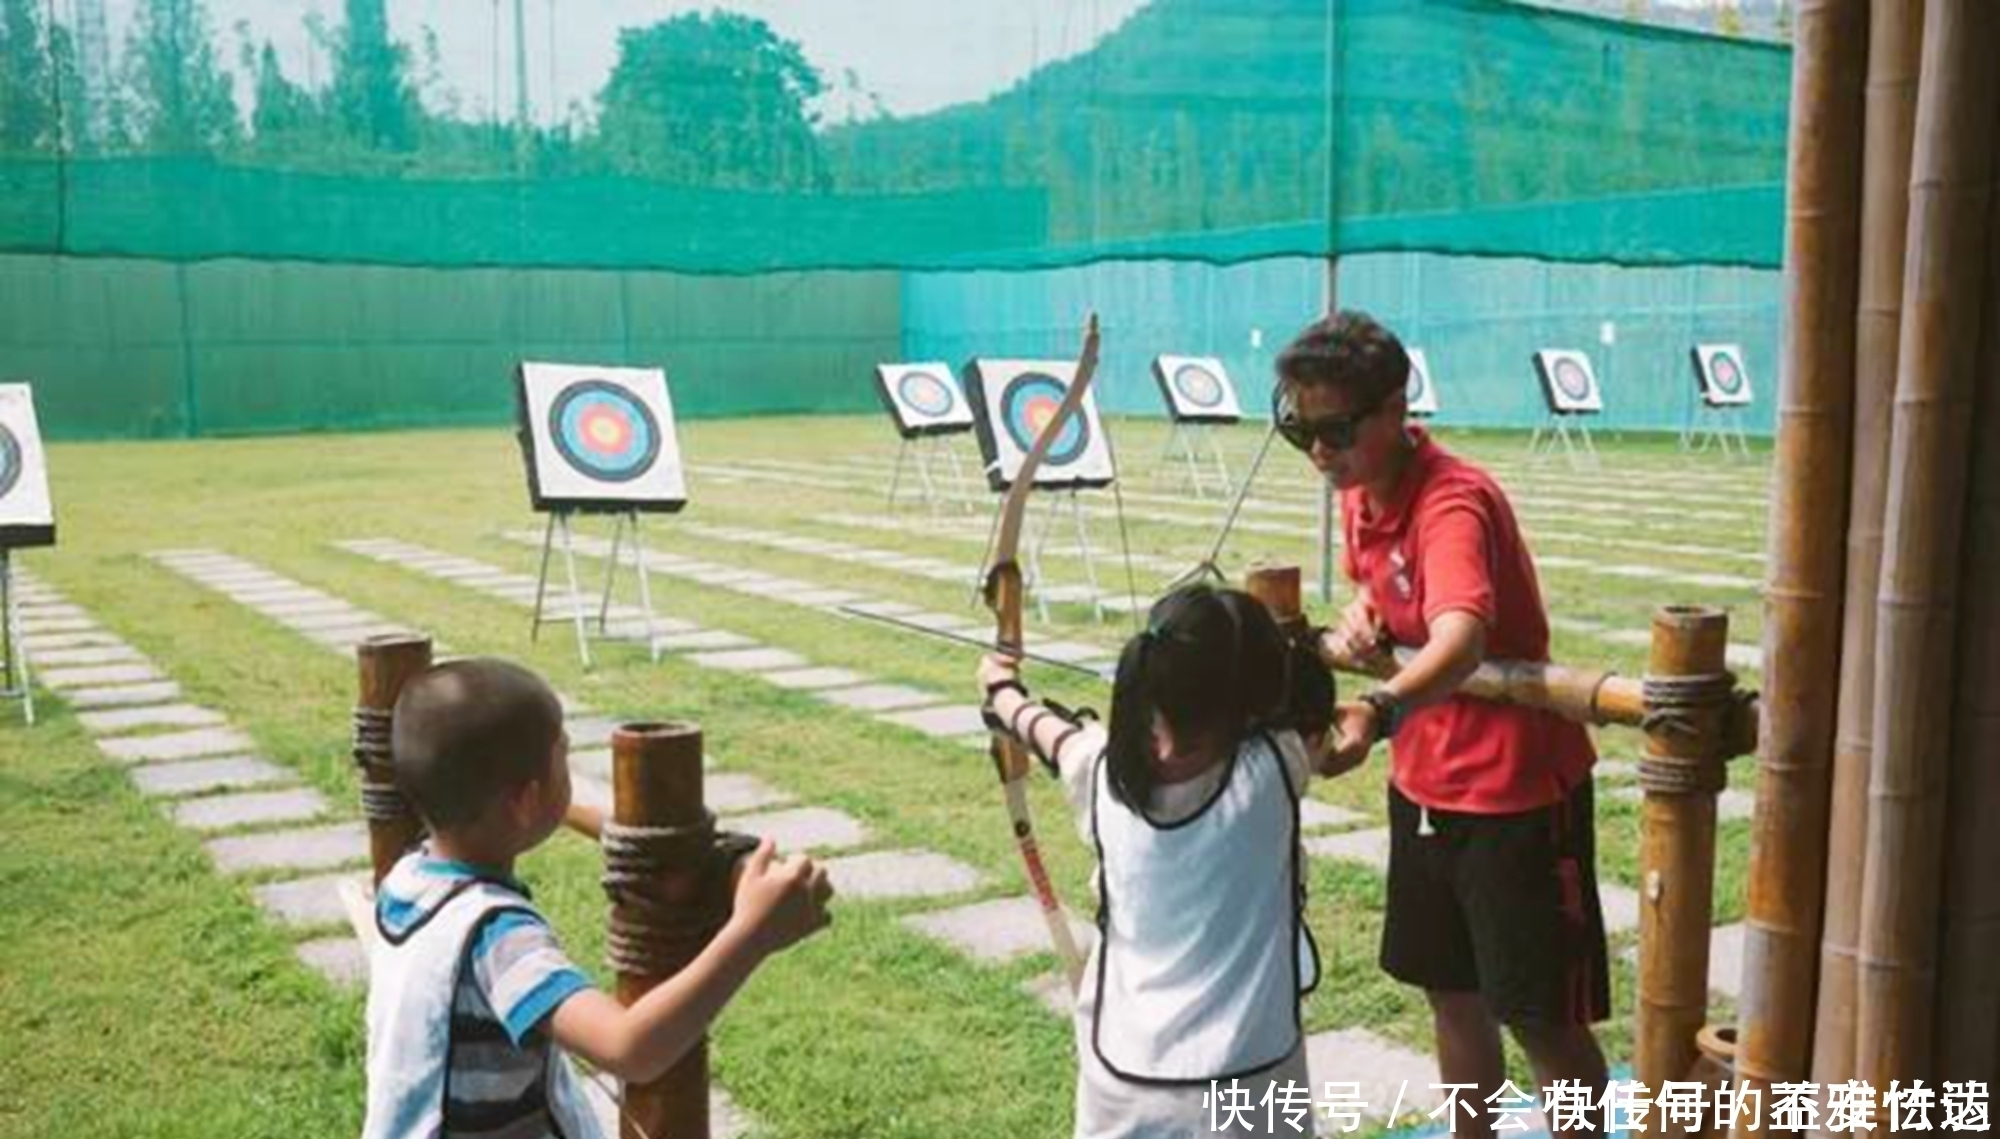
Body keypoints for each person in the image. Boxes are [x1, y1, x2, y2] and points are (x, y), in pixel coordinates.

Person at [1273, 311, 1609, 1136]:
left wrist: (1376, 707)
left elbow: (1462, 635)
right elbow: (1384, 589)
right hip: (1425, 787)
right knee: (1452, 994)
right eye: (1300, 429)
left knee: (1537, 1015)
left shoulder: (1452, 502)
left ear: (1396, 409)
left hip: (1515, 796)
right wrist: (1362, 617)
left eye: (1337, 430)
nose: (1320, 451)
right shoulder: (1363, 488)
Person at [363, 657, 832, 1139]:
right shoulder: (496, 939)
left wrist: (623, 832)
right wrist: (753, 933)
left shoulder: (409, 881)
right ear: (524, 802)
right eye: (563, 755)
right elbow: (630, 1049)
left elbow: (532, 809)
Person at [978, 582, 1353, 1138]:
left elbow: (1048, 733)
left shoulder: (1102, 768)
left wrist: (1002, 689)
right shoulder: (1276, 766)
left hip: (1126, 1094)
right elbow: (1314, 714)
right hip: (1250, 1089)